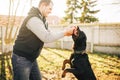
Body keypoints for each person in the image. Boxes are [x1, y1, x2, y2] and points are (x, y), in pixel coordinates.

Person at [11, 0, 75, 80]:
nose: (51, 11)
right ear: (43, 6)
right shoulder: (33, 19)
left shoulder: (43, 20)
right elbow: (46, 37)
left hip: (31, 58)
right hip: (21, 59)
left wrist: (65, 31)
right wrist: (65, 33)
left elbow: (50, 33)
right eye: (50, 9)